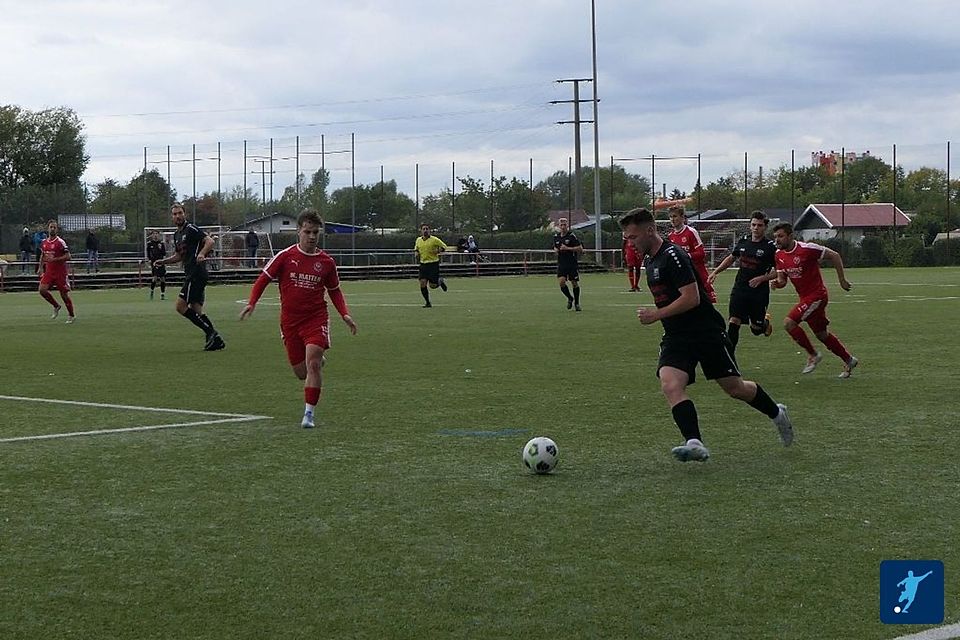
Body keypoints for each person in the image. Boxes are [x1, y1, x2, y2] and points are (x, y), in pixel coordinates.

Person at [620, 208, 795, 462]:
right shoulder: (651, 260)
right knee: (671, 384)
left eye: (633, 237)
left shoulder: (673, 256)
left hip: (705, 331)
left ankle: (777, 413)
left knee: (735, 388)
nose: (630, 243)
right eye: (627, 238)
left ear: (649, 230)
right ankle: (694, 443)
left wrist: (656, 315)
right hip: (676, 335)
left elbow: (692, 298)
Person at [241, 209, 358, 428]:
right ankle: (317, 360)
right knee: (301, 372)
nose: (312, 236)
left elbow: (334, 291)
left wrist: (345, 314)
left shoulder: (326, 262)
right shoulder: (285, 256)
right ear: (299, 231)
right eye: (307, 232)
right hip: (290, 322)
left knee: (312, 363)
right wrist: (252, 302)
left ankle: (309, 415)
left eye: (315, 232)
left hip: (316, 318)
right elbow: (263, 279)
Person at [770, 222, 858, 378]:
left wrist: (842, 280)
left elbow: (834, 255)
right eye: (775, 236)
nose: (777, 240)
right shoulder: (779, 255)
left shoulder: (807, 249)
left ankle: (813, 355)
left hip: (817, 295)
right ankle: (849, 360)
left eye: (781, 236)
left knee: (789, 323)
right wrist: (777, 283)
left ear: (790, 236)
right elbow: (782, 280)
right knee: (821, 334)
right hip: (805, 298)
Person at [153, 203, 224, 351]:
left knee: (180, 306)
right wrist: (163, 261)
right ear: (172, 217)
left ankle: (212, 333)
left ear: (184, 214)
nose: (177, 216)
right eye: (175, 214)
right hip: (191, 273)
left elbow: (210, 241)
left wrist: (202, 253)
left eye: (180, 213)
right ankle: (215, 340)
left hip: (196, 273)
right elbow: (179, 256)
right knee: (196, 309)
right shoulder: (177, 235)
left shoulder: (191, 229)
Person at [707, 211, 777, 353]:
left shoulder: (770, 247)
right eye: (753, 225)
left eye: (759, 225)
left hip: (758, 292)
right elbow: (731, 258)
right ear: (750, 225)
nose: (756, 228)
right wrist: (715, 272)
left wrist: (762, 278)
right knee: (734, 321)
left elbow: (779, 271)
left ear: (765, 227)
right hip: (740, 288)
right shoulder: (743, 241)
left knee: (756, 329)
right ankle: (729, 357)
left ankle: (764, 323)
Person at [667, 205, 717, 303]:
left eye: (675, 216)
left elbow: (701, 253)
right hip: (684, 275)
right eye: (670, 217)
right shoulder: (671, 236)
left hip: (698, 272)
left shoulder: (691, 232)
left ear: (682, 217)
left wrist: (686, 255)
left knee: (708, 301)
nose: (672, 219)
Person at [37, 219, 76, 323]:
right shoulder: (44, 242)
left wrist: (55, 259)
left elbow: (68, 256)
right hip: (49, 272)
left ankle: (71, 315)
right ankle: (56, 305)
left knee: (64, 295)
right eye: (51, 227)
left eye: (54, 227)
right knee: (42, 290)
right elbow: (43, 255)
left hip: (60, 272)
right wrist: (40, 268)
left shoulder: (60, 242)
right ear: (48, 228)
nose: (52, 229)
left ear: (57, 229)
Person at [414, 223, 449, 308]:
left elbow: (444, 247)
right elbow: (416, 249)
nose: (425, 230)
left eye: (427, 229)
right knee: (422, 283)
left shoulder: (434, 239)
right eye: (424, 229)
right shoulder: (418, 240)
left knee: (433, 286)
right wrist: (416, 253)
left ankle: (440, 281)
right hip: (423, 264)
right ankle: (427, 302)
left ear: (429, 230)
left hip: (433, 264)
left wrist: (438, 250)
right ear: (421, 231)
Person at [554, 217, 584, 311]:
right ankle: (570, 298)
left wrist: (567, 248)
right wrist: (556, 250)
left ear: (567, 225)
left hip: (571, 263)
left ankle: (577, 303)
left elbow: (580, 249)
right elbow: (555, 246)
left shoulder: (572, 236)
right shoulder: (556, 236)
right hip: (562, 263)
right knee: (561, 282)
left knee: (574, 283)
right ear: (559, 226)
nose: (563, 227)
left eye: (565, 225)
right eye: (561, 225)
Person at [146, 230, 167, 300]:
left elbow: (164, 253)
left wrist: (161, 248)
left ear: (158, 235)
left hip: (161, 262)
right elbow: (148, 253)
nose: (155, 235)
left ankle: (162, 294)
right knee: (155, 277)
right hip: (154, 262)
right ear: (152, 235)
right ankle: (152, 291)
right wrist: (149, 260)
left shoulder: (161, 243)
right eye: (154, 234)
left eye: (156, 234)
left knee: (162, 278)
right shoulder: (150, 244)